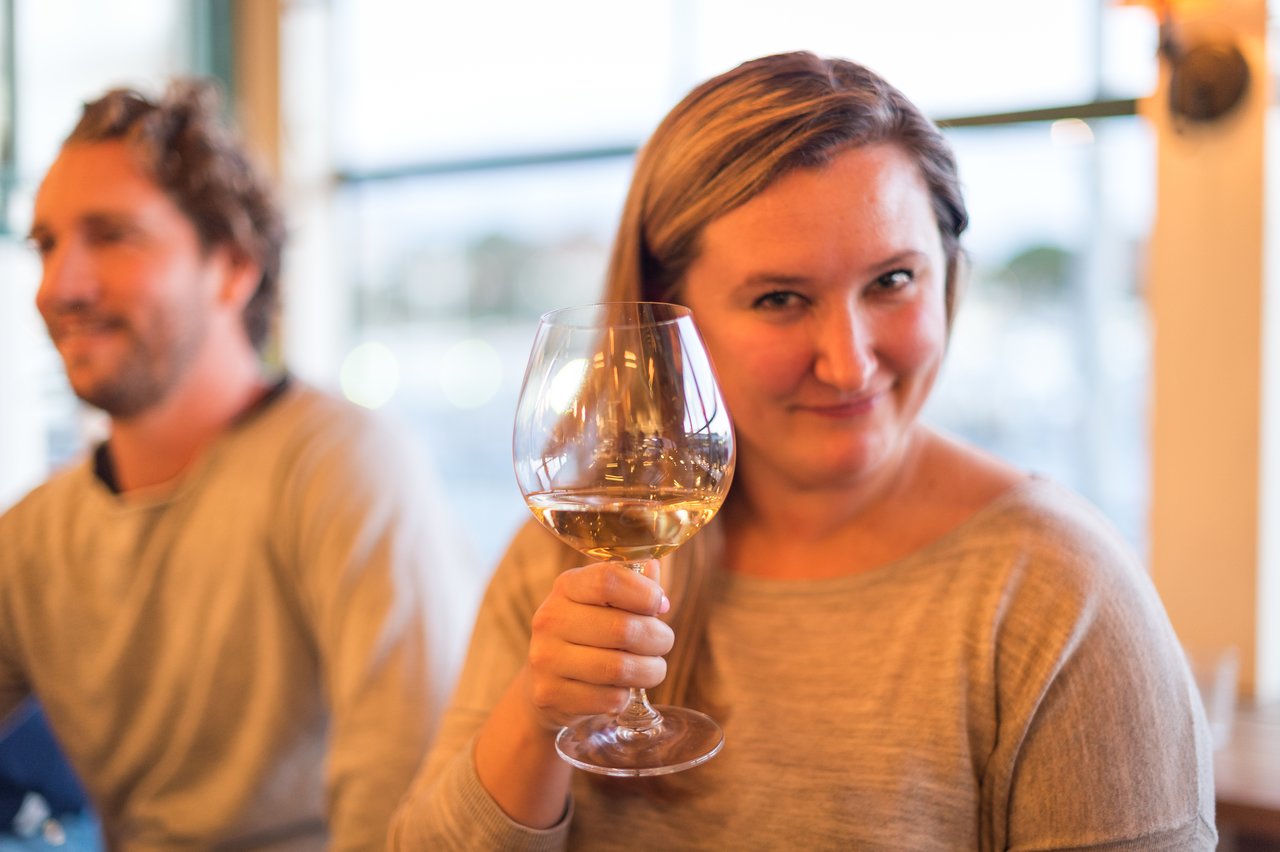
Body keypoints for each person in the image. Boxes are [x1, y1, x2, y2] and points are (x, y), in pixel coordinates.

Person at [388, 51, 1217, 850]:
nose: (850, 362)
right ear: (673, 320)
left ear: (949, 275)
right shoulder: (569, 564)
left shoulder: (1057, 592)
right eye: (780, 298)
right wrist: (536, 720)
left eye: (892, 281)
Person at [0, 79, 480, 849]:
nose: (61, 286)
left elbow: (413, 803)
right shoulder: (30, 536)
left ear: (232, 268)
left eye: (111, 235)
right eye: (46, 245)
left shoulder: (341, 466)